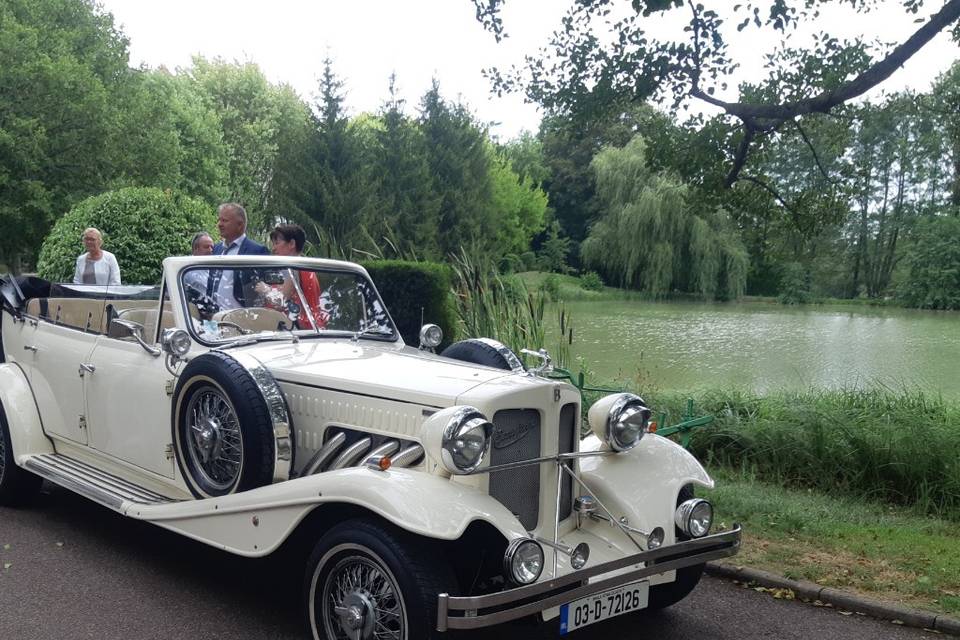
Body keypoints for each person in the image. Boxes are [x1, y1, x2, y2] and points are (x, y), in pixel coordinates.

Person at [258, 223, 326, 329]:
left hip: (304, 331)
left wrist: (265, 290)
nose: (273, 249)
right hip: (311, 328)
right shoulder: (304, 268)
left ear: (292, 244)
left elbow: (281, 302)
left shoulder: (296, 268)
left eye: (277, 243)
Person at [206, 203, 268, 309]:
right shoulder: (217, 249)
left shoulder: (257, 251)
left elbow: (262, 291)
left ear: (240, 225)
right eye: (219, 220)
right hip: (213, 318)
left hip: (240, 319)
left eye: (224, 221)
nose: (219, 224)